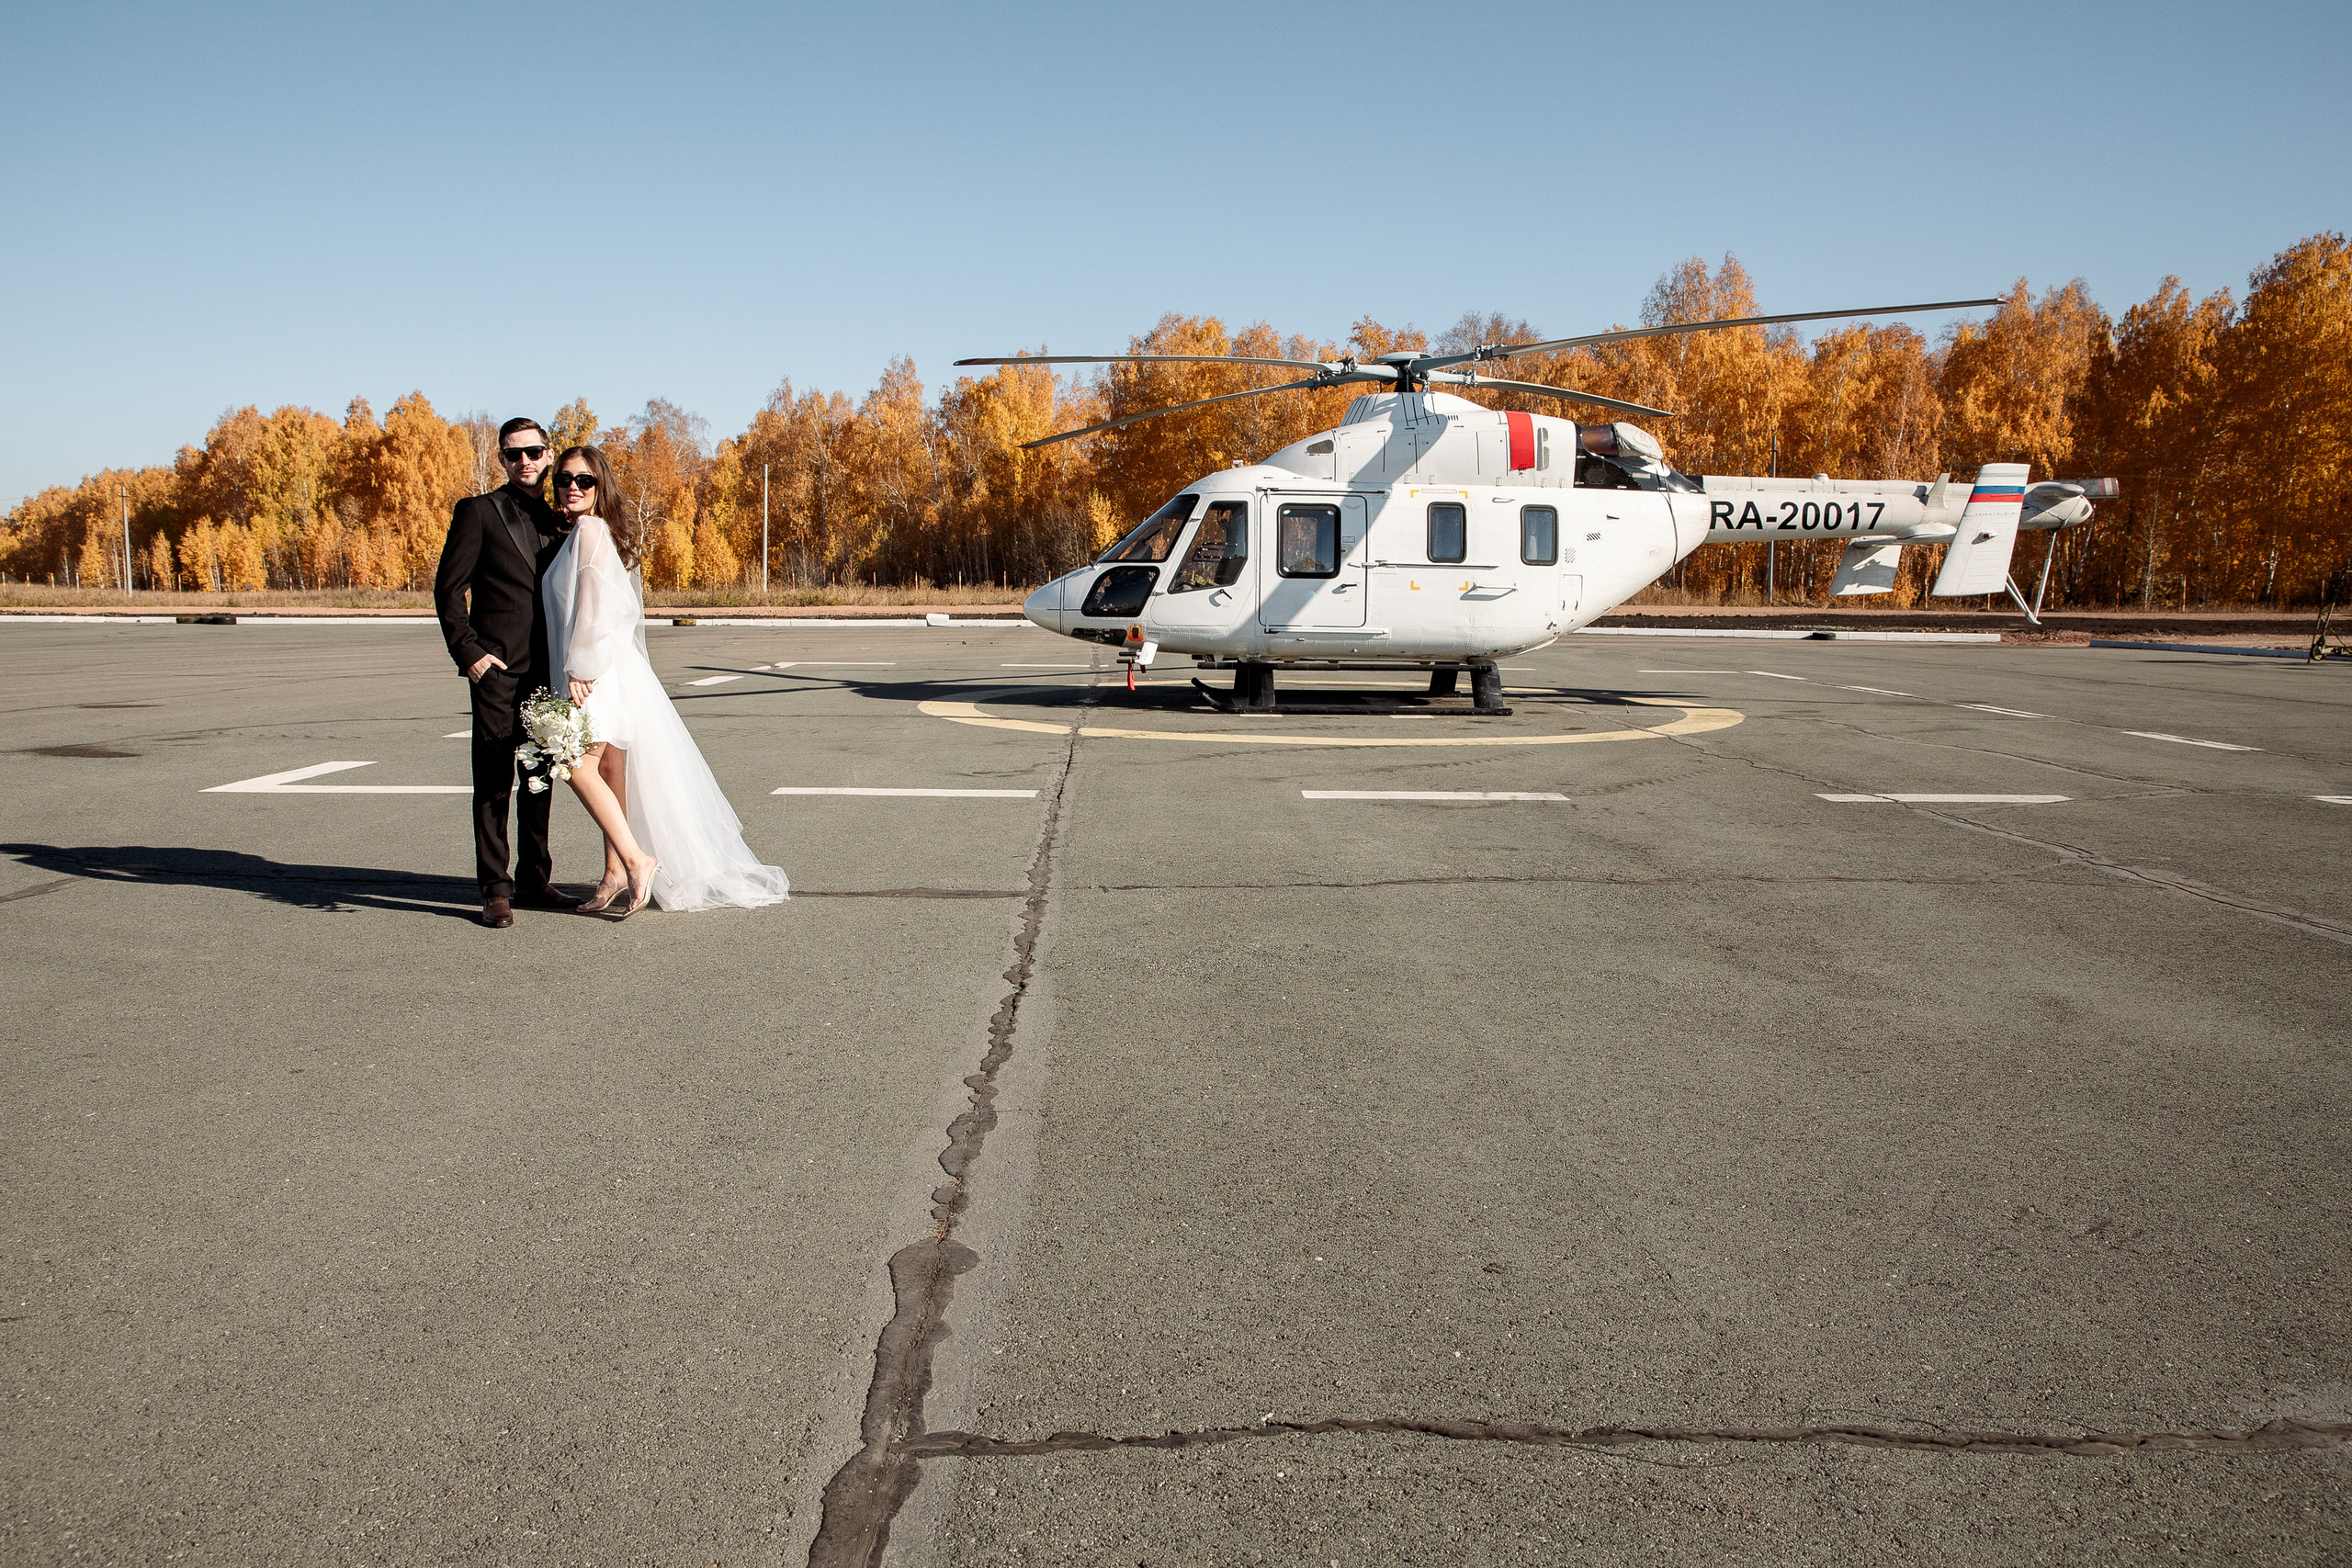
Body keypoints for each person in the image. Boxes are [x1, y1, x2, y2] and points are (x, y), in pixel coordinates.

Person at [540, 445, 788, 916]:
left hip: (594, 670)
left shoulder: (590, 530)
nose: (572, 487)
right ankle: (615, 871)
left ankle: (637, 860)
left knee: (575, 764)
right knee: (611, 772)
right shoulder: (593, 531)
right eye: (564, 480)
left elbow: (597, 606)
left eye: (584, 481)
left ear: (600, 488)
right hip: (608, 667)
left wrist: (578, 667)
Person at [433, 418, 584, 928]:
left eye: (534, 452)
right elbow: (448, 591)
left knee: (540, 780)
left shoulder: (562, 519)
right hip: (496, 672)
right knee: (495, 783)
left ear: (547, 456)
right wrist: (469, 652)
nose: (525, 461)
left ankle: (535, 880)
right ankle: (494, 889)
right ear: (502, 458)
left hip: (547, 675)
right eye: (513, 453)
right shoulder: (478, 512)